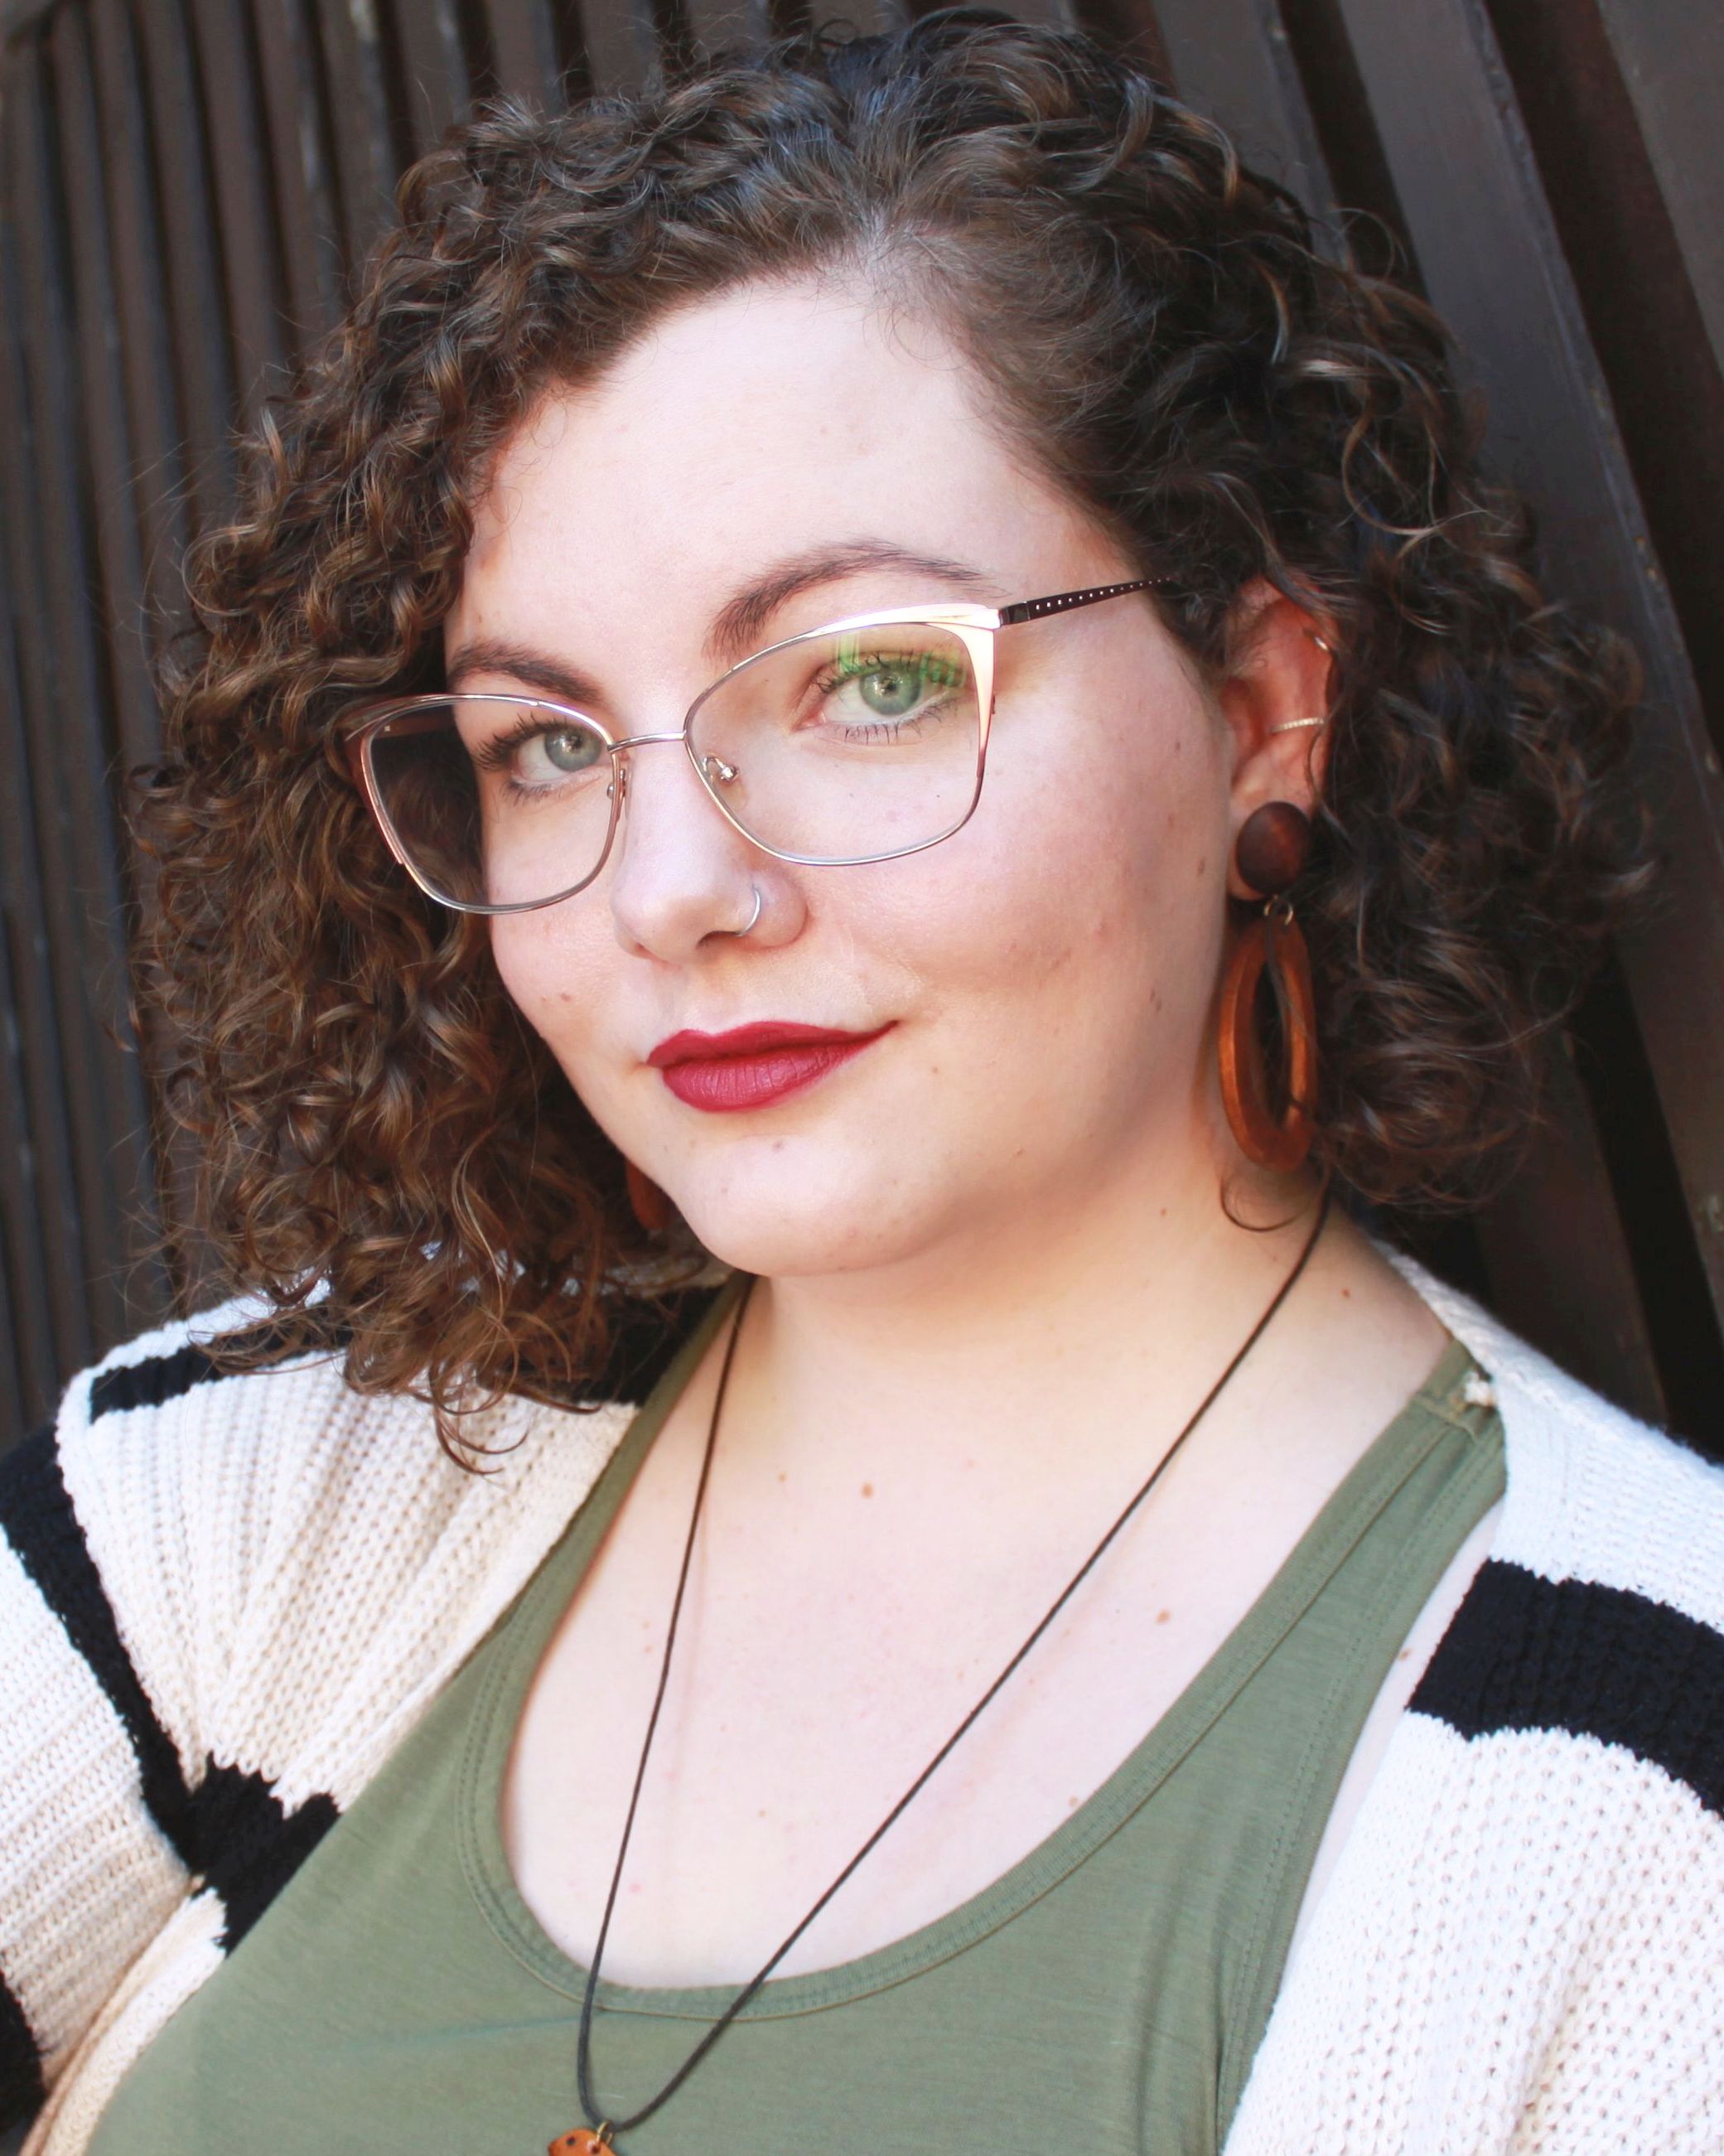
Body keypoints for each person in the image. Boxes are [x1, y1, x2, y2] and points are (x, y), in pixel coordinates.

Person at [2, 11, 1717, 2152]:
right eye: (545, 741)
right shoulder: (234, 1511)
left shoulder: (1647, 1802)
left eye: (871, 682)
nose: (667, 888)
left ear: (1267, 707)